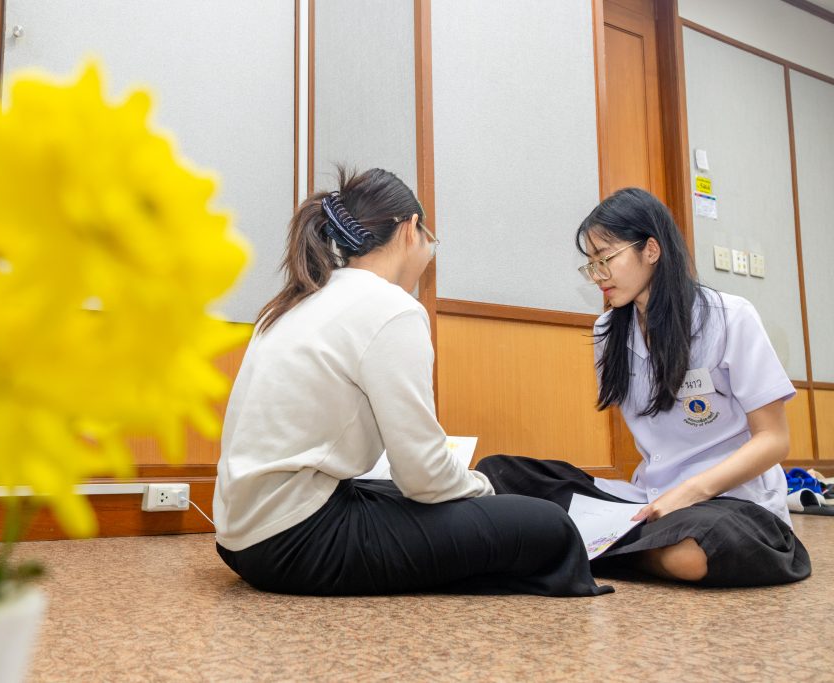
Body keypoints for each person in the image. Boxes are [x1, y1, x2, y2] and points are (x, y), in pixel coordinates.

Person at [213, 168, 610, 597]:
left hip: (240, 538)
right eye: (429, 240)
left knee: (479, 488)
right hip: (297, 543)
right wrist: (483, 489)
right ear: (410, 229)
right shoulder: (390, 307)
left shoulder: (303, 298)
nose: (428, 254)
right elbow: (423, 477)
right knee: (550, 526)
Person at [476, 187, 811, 587]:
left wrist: (690, 492)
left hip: (730, 502)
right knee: (498, 473)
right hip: (649, 502)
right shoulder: (607, 331)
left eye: (606, 259)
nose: (598, 275)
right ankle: (610, 543)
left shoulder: (730, 317)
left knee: (697, 550)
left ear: (651, 250)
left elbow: (774, 440)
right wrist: (665, 499)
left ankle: (576, 544)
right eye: (591, 264)